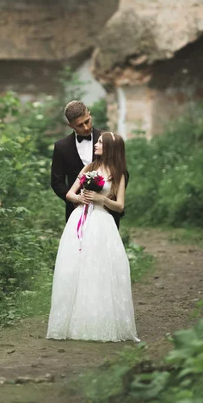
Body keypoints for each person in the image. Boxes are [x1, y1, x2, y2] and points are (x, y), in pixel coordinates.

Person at [47, 131, 139, 342]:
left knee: (98, 268)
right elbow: (70, 193)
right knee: (75, 266)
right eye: (96, 141)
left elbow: (120, 205)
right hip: (80, 219)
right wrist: (80, 198)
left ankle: (98, 320)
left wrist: (100, 198)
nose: (96, 144)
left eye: (99, 142)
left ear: (110, 148)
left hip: (102, 222)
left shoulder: (119, 174)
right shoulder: (89, 168)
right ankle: (72, 321)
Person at [51, 100, 128, 229]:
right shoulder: (61, 147)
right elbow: (57, 182)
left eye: (87, 121)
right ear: (70, 126)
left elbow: (121, 172)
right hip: (77, 212)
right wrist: (76, 199)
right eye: (80, 125)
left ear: (89, 115)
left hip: (107, 211)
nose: (86, 127)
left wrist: (107, 196)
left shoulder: (107, 139)